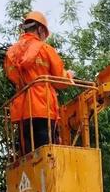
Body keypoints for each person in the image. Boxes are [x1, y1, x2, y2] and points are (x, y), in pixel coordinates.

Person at [4, 11, 74, 155]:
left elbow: (12, 77)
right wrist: (69, 76)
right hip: (43, 107)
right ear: (40, 29)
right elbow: (60, 81)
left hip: (22, 111)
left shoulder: (10, 54)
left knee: (29, 155)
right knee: (47, 154)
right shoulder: (44, 49)